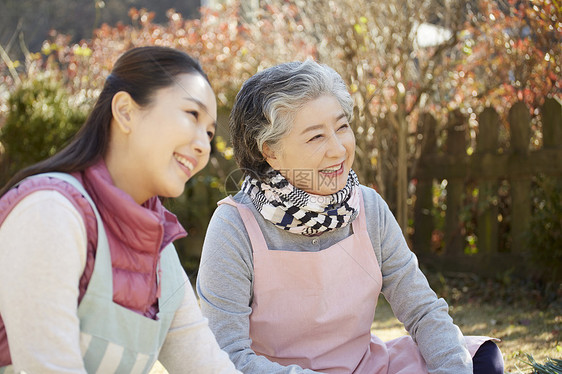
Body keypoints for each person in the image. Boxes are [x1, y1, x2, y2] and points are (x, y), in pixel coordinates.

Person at [196, 60, 504, 374]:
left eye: (342, 127)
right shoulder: (234, 226)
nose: (339, 149)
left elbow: (422, 310)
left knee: (481, 359)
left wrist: (452, 369)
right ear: (269, 152)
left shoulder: (368, 206)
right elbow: (226, 355)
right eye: (316, 137)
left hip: (367, 367)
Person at [0, 46, 241, 374]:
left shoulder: (160, 256)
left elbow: (209, 367)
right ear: (126, 111)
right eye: (192, 115)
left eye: (210, 132)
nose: (203, 145)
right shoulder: (49, 212)